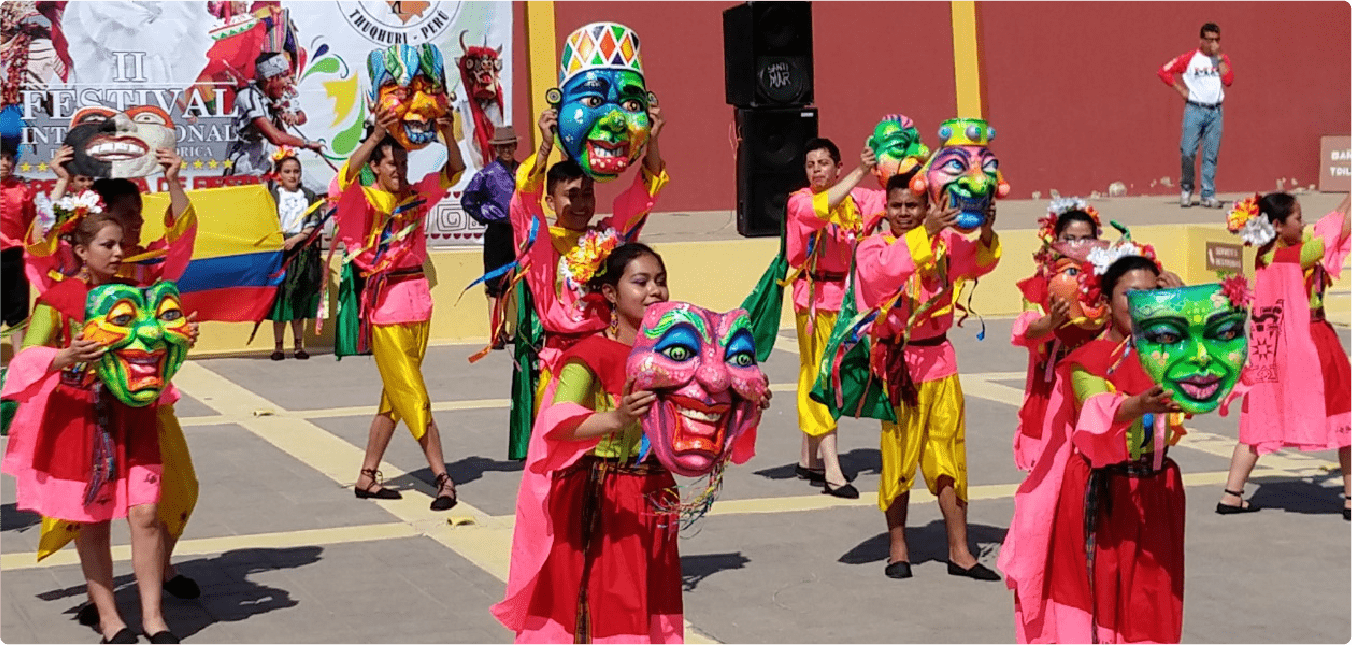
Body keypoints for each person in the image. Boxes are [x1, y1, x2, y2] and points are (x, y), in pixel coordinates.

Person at [34, 146, 204, 629]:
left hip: (146, 405)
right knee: (87, 509)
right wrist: (62, 184)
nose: (136, 226)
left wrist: (174, 179)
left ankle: (158, 582)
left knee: (170, 494)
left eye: (138, 215)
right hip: (84, 410)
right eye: (127, 217)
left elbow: (183, 241)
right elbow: (41, 250)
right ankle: (104, 601)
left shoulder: (147, 271)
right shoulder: (68, 283)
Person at [2, 213, 180, 644]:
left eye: (120, 244)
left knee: (147, 514)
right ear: (81, 251)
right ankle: (109, 618)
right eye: (107, 245)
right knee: (94, 521)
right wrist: (65, 357)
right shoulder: (59, 299)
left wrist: (177, 334)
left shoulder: (137, 295)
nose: (118, 252)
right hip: (81, 417)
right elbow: (25, 357)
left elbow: (155, 342)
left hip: (133, 414)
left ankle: (153, 618)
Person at [492, 243, 682, 644]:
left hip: (655, 493)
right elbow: (556, 423)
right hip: (603, 495)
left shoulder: (675, 356)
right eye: (641, 282)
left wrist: (741, 406)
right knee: (605, 606)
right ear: (610, 293)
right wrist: (616, 418)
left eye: (660, 281)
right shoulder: (590, 354)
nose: (654, 291)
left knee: (649, 600)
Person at [1000, 255, 1188, 645]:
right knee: (1099, 604)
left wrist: (1187, 312)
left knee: (1150, 600)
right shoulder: (1089, 359)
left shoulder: (1171, 354)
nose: (1142, 304)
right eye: (1130, 295)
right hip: (1103, 494)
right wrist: (1140, 405)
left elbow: (1213, 385)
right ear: (1105, 301)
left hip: (1156, 490)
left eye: (1152, 294)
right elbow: (1095, 407)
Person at [853, 170, 1001, 580]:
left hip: (941, 362)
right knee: (898, 458)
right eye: (897, 206)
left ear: (926, 207)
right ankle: (898, 548)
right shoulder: (872, 248)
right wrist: (926, 234)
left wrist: (986, 230)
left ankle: (960, 551)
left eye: (912, 206)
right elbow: (883, 275)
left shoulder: (946, 244)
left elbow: (980, 262)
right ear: (885, 210)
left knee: (949, 457)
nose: (904, 212)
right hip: (898, 366)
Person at [503, 106, 666, 460]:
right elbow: (523, 202)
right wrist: (544, 148)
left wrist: (651, 141)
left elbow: (641, 196)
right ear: (551, 201)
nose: (581, 203)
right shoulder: (541, 243)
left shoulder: (608, 238)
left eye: (587, 194)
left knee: (615, 450)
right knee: (561, 454)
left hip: (608, 356)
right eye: (571, 194)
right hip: (563, 361)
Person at [336, 105, 465, 510]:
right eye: (393, 163)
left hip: (418, 303)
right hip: (386, 309)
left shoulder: (416, 196)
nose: (400, 170)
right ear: (376, 166)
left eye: (404, 163)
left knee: (393, 398)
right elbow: (345, 178)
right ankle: (442, 477)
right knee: (412, 393)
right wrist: (376, 137)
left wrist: (447, 133)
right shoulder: (365, 198)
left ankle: (367, 475)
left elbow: (455, 170)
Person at [1217, 192, 1352, 519]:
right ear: (1277, 225)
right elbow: (1341, 228)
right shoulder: (1298, 256)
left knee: (1258, 420)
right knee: (1346, 419)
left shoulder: (1265, 256)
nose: (1304, 224)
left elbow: (1333, 222)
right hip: (1311, 343)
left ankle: (1232, 494)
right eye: (1298, 218)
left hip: (1272, 349)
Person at [786, 137, 882, 498]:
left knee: (823, 373)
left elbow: (894, 200)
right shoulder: (800, 201)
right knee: (821, 377)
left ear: (837, 167)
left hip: (845, 300)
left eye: (823, 163)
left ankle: (807, 458)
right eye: (810, 165)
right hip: (813, 301)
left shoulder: (860, 200)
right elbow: (821, 209)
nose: (816, 171)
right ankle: (832, 470)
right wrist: (861, 171)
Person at [1011, 206, 1104, 471]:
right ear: (1055, 240)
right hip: (1052, 386)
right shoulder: (1039, 285)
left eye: (1085, 239)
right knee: (1051, 467)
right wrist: (1052, 322)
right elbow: (1027, 331)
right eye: (1069, 239)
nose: (1077, 246)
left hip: (1093, 381)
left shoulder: (1105, 282)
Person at [1158, 22, 1233, 209]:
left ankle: (1208, 193)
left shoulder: (1222, 59)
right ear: (1201, 40)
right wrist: (1180, 89)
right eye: (1210, 40)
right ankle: (1186, 188)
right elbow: (1164, 71)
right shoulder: (1190, 58)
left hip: (1215, 111)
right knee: (1188, 151)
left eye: (1216, 40)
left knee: (1210, 155)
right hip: (1195, 109)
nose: (1213, 44)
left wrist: (1220, 58)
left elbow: (1228, 80)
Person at [461, 125, 520, 349]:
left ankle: (507, 329)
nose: (506, 150)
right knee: (495, 283)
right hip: (497, 232)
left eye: (509, 146)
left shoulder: (522, 171)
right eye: (502, 147)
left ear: (515, 146)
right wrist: (485, 215)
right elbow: (468, 199)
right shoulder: (488, 174)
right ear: (497, 149)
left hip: (518, 232)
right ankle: (495, 333)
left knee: (513, 282)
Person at [265, 147, 323, 360]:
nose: (292, 176)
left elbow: (314, 223)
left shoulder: (308, 196)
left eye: (296, 171)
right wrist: (280, 242)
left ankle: (299, 345)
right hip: (279, 254)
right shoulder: (272, 196)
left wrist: (297, 239)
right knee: (280, 301)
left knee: (299, 298)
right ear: (279, 174)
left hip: (302, 253)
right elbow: (266, 221)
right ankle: (278, 347)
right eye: (287, 171)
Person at [224, 51, 322, 177]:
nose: (288, 80)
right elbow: (274, 136)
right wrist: (306, 144)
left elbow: (303, 117)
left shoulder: (282, 93)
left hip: (270, 161)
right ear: (270, 78)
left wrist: (294, 117)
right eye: (284, 75)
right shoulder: (248, 96)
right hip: (246, 164)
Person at [1, 137, 35, 354]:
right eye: (0, 158)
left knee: (18, 308)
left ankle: (18, 360)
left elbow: (31, 222)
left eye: (8, 158)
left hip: (15, 256)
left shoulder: (22, 190)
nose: (5, 163)